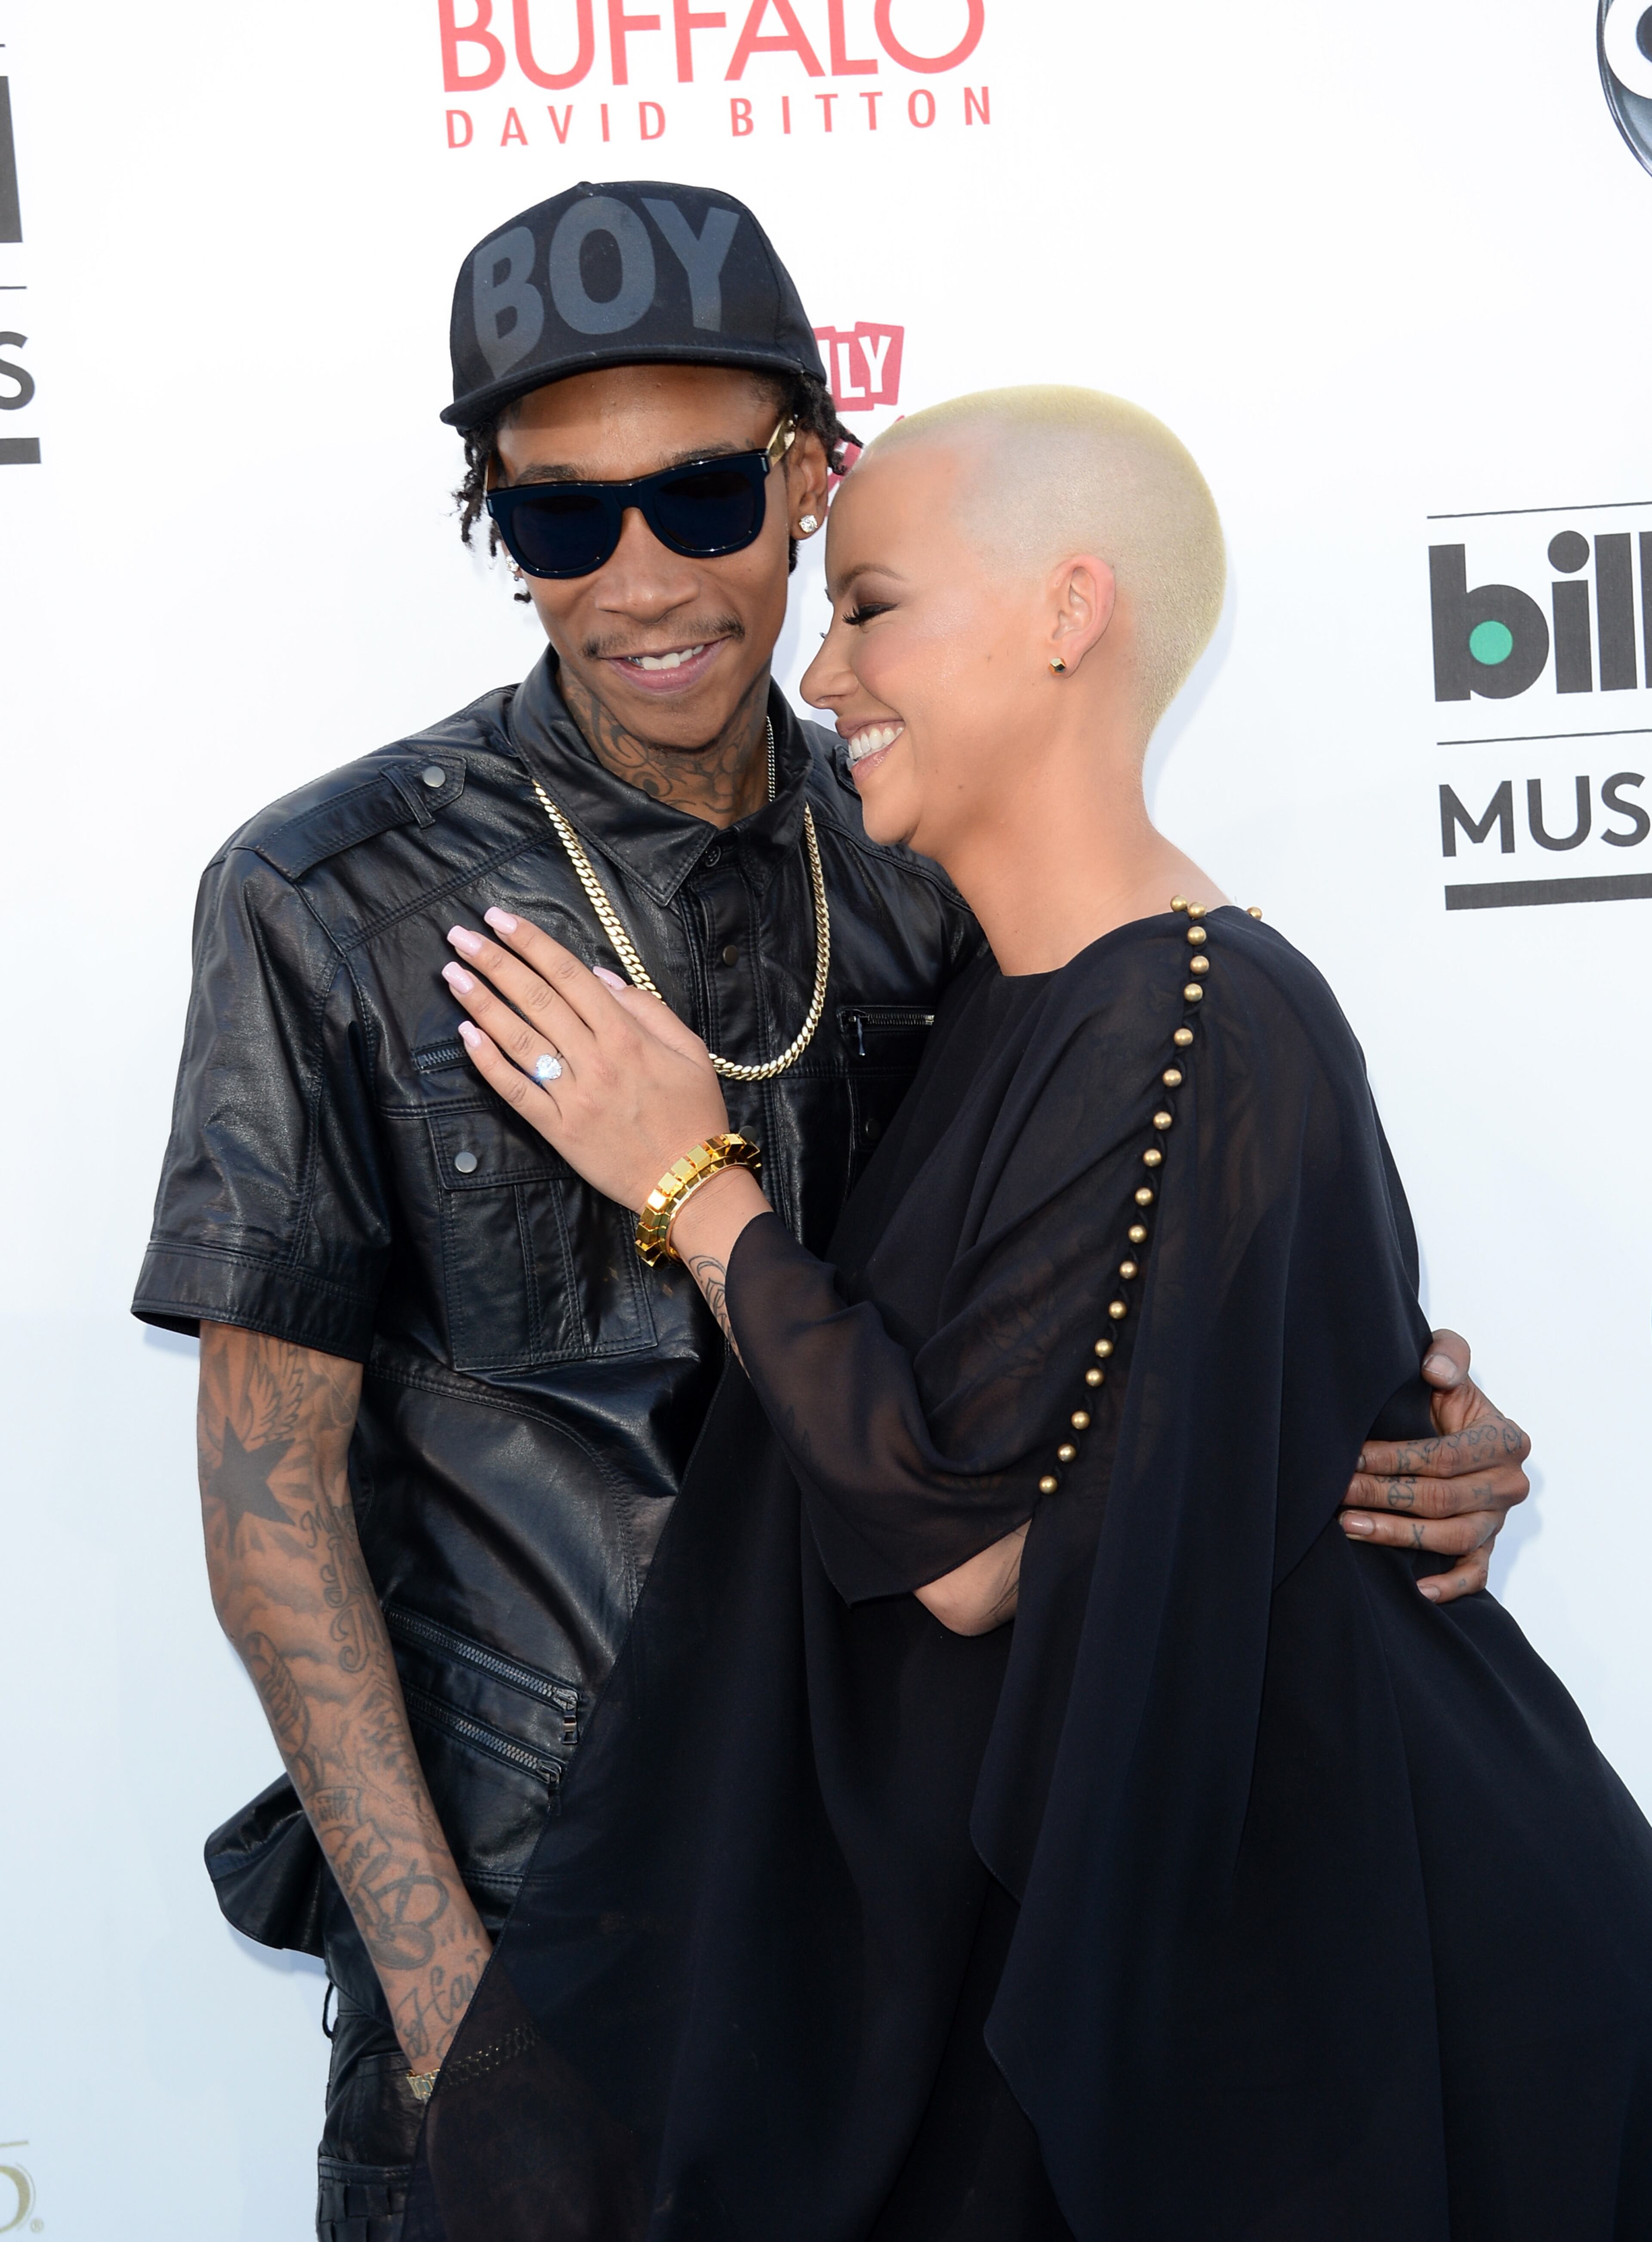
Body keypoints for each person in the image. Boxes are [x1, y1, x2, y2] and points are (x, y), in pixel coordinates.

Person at [133, 185, 1526, 2242]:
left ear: (809, 474)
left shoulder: (937, 859)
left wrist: (1383, 1442)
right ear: (495, 537)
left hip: (904, 1964)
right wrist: (457, 2021)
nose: (640, 580)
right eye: (553, 519)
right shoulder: (328, 896)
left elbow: (1125, 1336)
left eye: (702, 493)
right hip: (535, 1932)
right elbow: (272, 1502)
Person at [404, 388, 1652, 2239]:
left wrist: (689, 1176)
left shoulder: (1199, 1015)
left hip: (1340, 2016)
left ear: (1072, 613)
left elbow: (974, 1540)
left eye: (875, 606)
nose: (825, 675)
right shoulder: (1031, 1006)